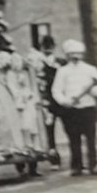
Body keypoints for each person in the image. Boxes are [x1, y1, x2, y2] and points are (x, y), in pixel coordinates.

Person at [51, 39, 97, 176]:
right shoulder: (62, 71)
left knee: (91, 138)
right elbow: (56, 90)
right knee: (74, 139)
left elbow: (96, 87)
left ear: (82, 54)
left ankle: (93, 165)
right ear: (67, 55)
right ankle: (77, 166)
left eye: (78, 54)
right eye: (72, 54)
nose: (75, 57)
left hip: (88, 107)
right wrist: (65, 101)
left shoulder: (91, 69)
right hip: (71, 110)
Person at [34, 37, 63, 168]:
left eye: (50, 46)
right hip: (46, 101)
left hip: (61, 100)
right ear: (41, 47)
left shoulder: (61, 62)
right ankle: (54, 158)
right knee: (49, 131)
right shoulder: (36, 63)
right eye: (45, 46)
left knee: (70, 128)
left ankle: (77, 159)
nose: (48, 49)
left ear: (54, 46)